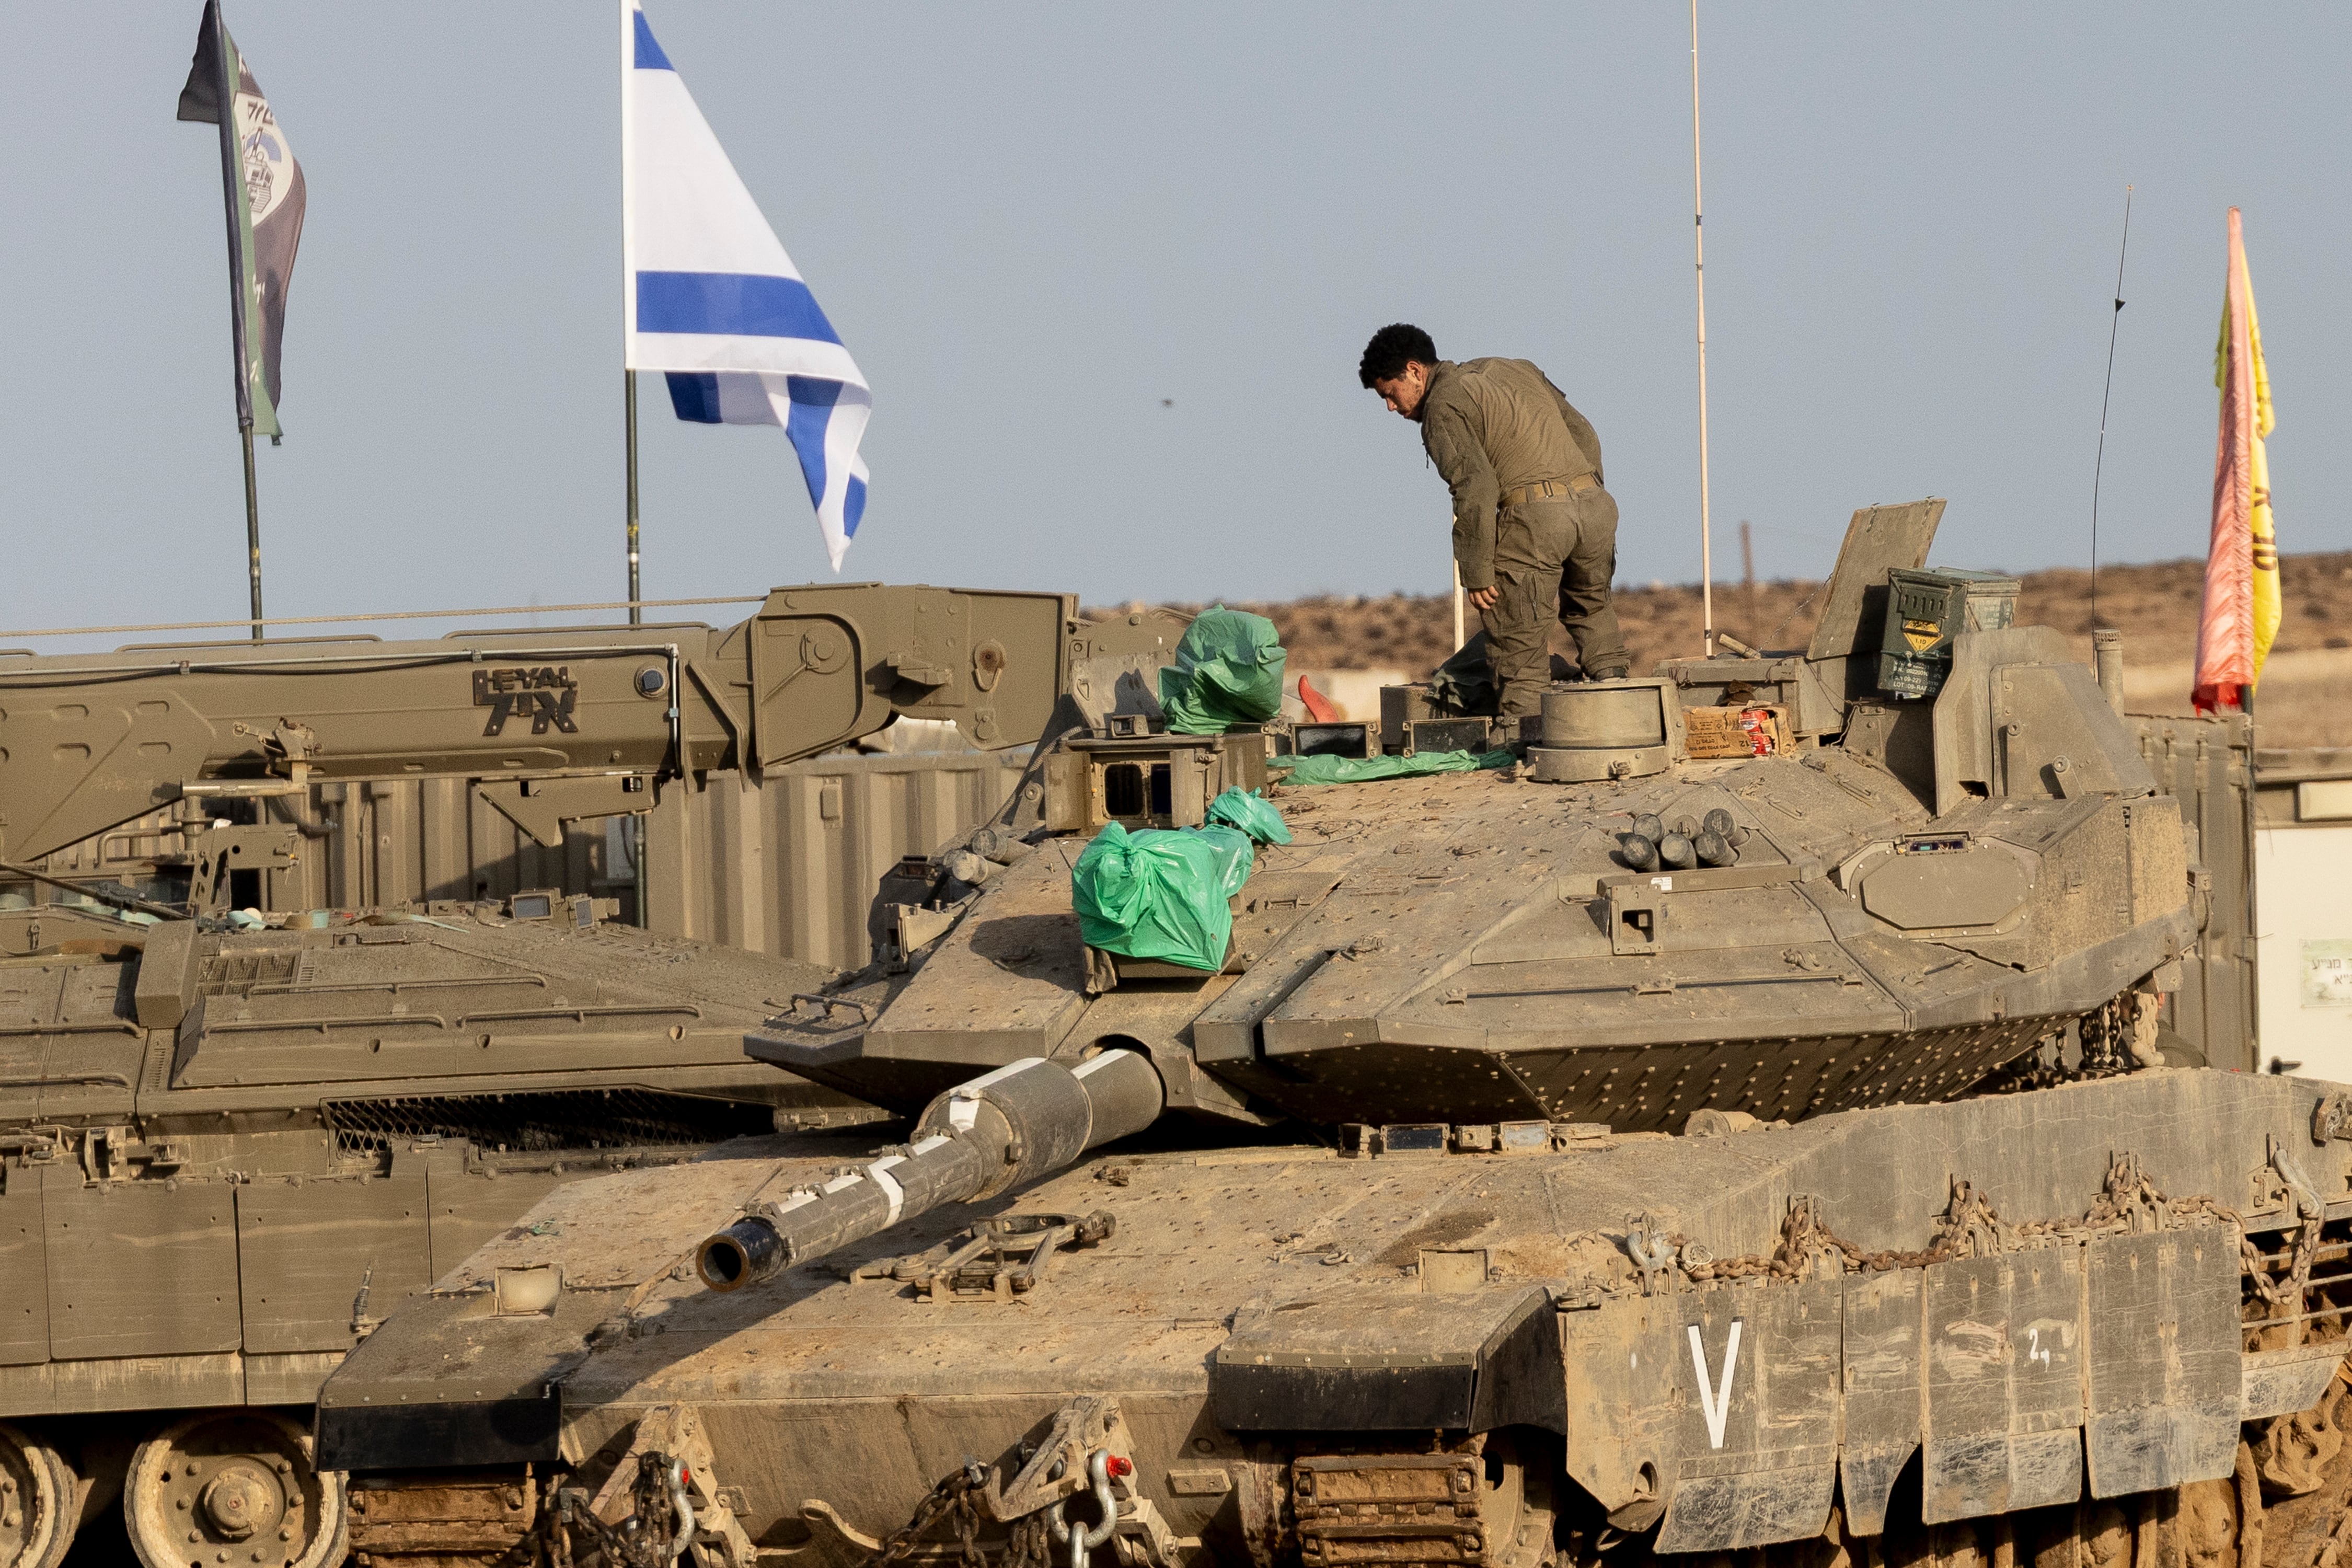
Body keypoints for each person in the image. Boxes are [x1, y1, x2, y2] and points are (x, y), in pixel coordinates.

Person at [1358, 323, 1629, 720]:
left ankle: (1526, 745)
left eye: (1390, 394)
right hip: (1595, 507)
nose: (1391, 407)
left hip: (1536, 520)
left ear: (1415, 371)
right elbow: (1583, 434)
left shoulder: (1442, 406)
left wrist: (1477, 568)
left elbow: (1477, 486)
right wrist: (1585, 494)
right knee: (1593, 612)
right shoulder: (1515, 368)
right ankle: (1623, 715)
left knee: (1519, 645)